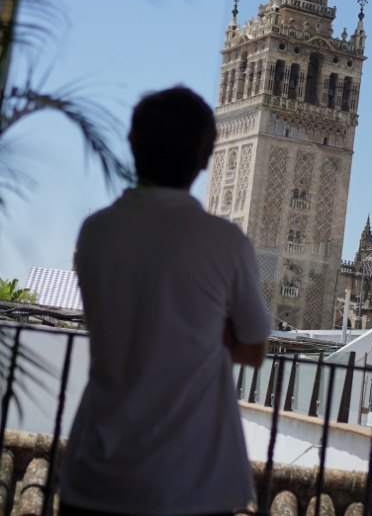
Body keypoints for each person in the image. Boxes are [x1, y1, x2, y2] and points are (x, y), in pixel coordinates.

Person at [60, 86, 271, 516]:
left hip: (94, 480)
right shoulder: (225, 243)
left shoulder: (95, 232)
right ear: (206, 157)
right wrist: (212, 330)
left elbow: (121, 321)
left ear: (133, 145)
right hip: (192, 486)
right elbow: (253, 348)